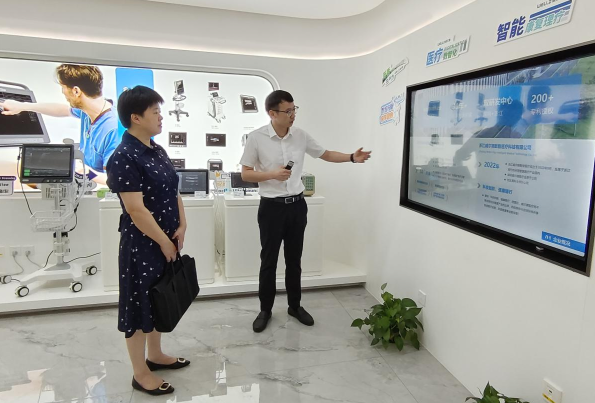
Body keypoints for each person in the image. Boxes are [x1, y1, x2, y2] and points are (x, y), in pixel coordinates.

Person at [240, 90, 372, 333]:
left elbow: (326, 154)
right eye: (288, 111)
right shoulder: (256, 138)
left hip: (297, 207)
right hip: (271, 208)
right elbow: (246, 173)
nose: (293, 115)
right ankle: (265, 310)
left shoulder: (300, 136)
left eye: (294, 109)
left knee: (294, 260)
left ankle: (295, 306)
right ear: (272, 113)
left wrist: (352, 157)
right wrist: (272, 174)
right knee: (268, 261)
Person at [106, 86, 189, 396]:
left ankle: (155, 355)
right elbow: (136, 210)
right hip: (142, 245)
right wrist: (164, 242)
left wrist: (182, 224)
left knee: (158, 299)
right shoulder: (123, 156)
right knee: (138, 305)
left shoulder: (157, 149)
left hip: (167, 237)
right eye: (156, 112)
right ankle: (140, 373)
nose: (161, 117)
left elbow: (173, 189)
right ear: (136, 117)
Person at [0, 64, 120, 185]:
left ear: (76, 91)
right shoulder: (91, 108)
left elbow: (112, 179)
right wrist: (22, 106)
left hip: (96, 187)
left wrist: (86, 171)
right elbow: (62, 110)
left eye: (63, 87)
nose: (63, 92)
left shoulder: (112, 129)